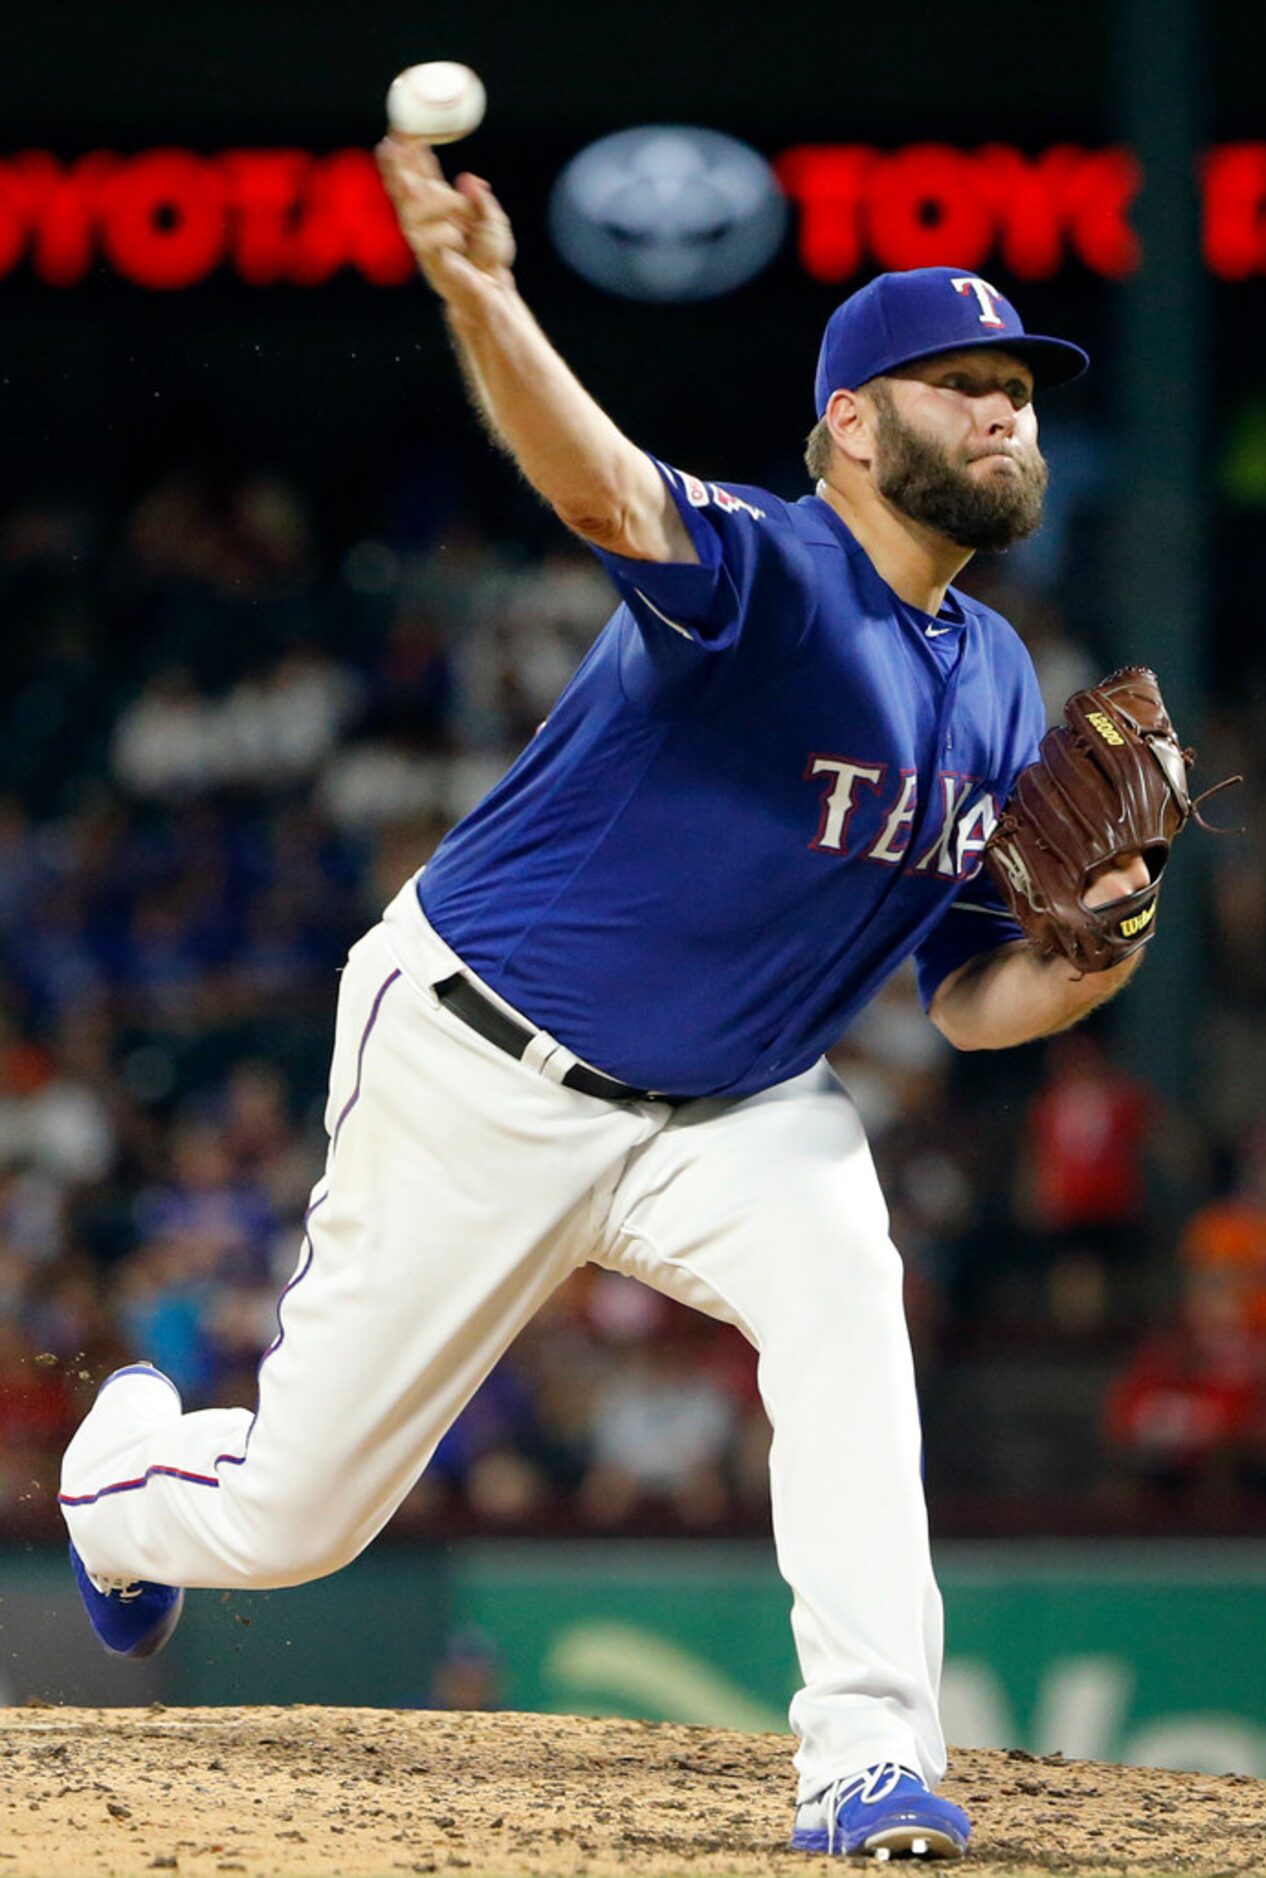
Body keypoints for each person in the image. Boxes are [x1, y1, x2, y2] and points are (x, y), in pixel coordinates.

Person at [59, 136, 1153, 1863]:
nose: (1008, 412)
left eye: (1018, 388)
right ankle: (116, 1479)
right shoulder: (776, 571)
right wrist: (481, 291)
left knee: (851, 1303)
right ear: (855, 424)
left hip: (731, 1109)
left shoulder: (1004, 679)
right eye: (964, 385)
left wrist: (1095, 949)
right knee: (293, 1521)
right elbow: (601, 494)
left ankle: (868, 1763)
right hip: (480, 1060)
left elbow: (967, 1000)